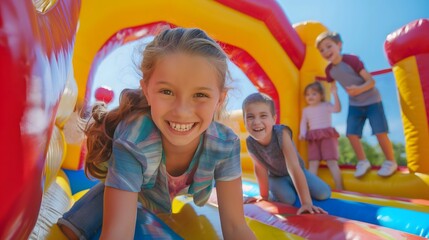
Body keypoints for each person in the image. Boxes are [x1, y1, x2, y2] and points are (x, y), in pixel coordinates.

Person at [57, 28, 256, 240]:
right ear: (146, 91)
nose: (182, 111)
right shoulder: (136, 138)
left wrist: (234, 199)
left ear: (220, 99)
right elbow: (117, 233)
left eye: (200, 94)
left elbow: (236, 227)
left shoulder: (224, 145)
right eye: (167, 92)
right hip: (135, 180)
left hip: (177, 186)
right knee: (73, 228)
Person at [316, 31, 398, 178]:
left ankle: (391, 161)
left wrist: (358, 89)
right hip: (355, 103)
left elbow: (371, 81)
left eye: (329, 46)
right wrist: (335, 101)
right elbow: (333, 88)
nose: (326, 51)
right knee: (351, 134)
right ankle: (362, 161)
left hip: (372, 99)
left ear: (339, 45)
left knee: (380, 131)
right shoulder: (329, 71)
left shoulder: (351, 60)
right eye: (321, 50)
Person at [242, 92, 330, 215]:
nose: (256, 122)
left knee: (324, 193)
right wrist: (264, 195)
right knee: (288, 200)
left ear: (273, 119)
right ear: (244, 121)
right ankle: (282, 190)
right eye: (250, 117)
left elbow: (293, 167)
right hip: (276, 177)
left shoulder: (281, 133)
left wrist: (306, 203)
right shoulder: (250, 142)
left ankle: (297, 185)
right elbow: (259, 168)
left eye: (263, 116)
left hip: (298, 171)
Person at [299, 81, 343, 190]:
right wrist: (302, 133)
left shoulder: (326, 105)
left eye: (314, 94)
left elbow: (337, 109)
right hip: (313, 136)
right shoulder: (306, 110)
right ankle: (311, 189)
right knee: (313, 163)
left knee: (331, 162)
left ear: (321, 95)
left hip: (326, 135)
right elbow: (303, 122)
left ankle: (340, 187)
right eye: (308, 94)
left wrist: (335, 94)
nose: (310, 96)